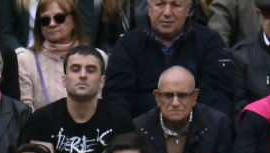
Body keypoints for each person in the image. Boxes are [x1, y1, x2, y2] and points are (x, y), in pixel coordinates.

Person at [23, 45, 132, 153]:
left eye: (91, 70)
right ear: (64, 80)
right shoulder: (42, 118)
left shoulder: (119, 119)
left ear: (102, 82)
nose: (83, 75)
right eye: (75, 69)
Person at [101, 0, 237, 119]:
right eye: (160, 4)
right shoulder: (127, 45)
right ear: (149, 8)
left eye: (175, 5)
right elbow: (118, 102)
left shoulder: (209, 42)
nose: (167, 12)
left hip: (197, 135)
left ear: (188, 9)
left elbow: (218, 100)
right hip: (140, 136)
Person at [131, 66, 233, 153]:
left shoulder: (217, 124)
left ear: (195, 96)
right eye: (168, 95)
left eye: (182, 95)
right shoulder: (139, 128)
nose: (175, 103)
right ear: (157, 97)